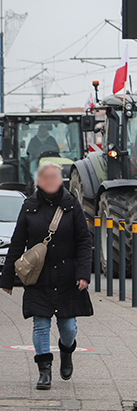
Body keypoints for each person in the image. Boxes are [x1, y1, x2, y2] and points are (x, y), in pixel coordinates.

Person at [0, 162, 93, 390]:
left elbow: (84, 241)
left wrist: (83, 273)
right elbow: (18, 242)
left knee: (68, 327)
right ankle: (44, 372)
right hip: (38, 277)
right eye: (45, 177)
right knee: (40, 324)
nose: (50, 181)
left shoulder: (72, 205)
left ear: (61, 180)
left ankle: (66, 350)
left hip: (66, 277)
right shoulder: (29, 205)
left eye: (54, 176)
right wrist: (7, 277)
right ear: (38, 181)